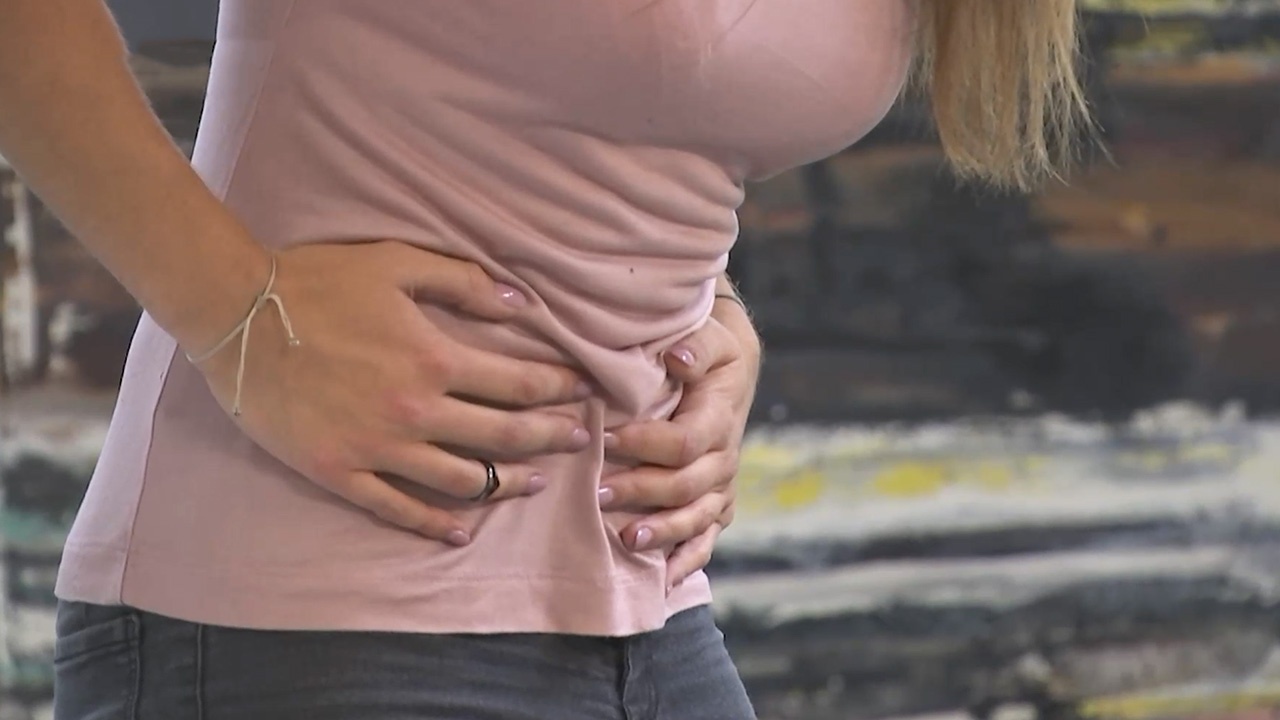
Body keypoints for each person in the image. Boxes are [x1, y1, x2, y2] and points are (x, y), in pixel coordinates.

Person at [0, 1, 1089, 718]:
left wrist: (703, 304)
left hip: (646, 619)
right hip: (307, 620)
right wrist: (234, 307)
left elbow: (629, 107)